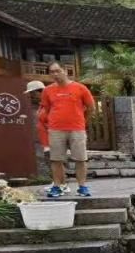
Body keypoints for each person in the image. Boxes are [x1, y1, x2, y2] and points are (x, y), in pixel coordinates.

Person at [39, 63, 94, 198]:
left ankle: (82, 187)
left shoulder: (80, 88)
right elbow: (46, 109)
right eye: (52, 72)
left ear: (65, 71)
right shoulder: (47, 91)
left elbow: (91, 107)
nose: (55, 74)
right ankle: (57, 187)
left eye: (58, 71)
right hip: (56, 129)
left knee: (80, 158)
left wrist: (82, 121)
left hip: (77, 128)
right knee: (56, 159)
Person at [26, 80, 49, 164]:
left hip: (49, 140)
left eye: (32, 93)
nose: (31, 96)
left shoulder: (50, 104)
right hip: (35, 141)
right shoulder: (30, 106)